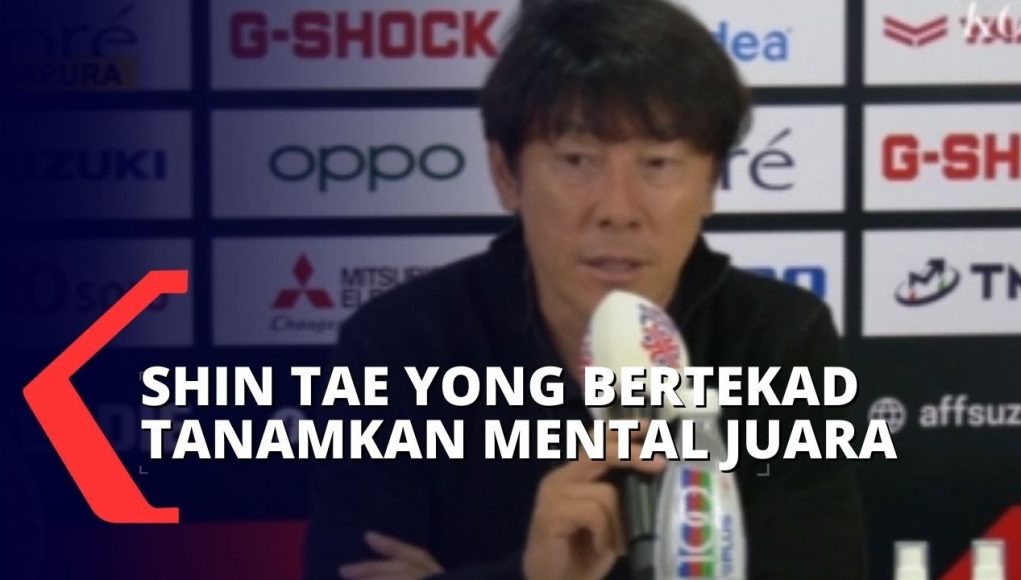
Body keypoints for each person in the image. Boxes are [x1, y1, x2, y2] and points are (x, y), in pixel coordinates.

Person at [304, 0, 867, 578]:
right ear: (506, 174)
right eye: (578, 160)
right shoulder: (399, 344)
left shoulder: (777, 339)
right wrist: (531, 574)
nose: (617, 210)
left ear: (711, 184)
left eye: (658, 163)